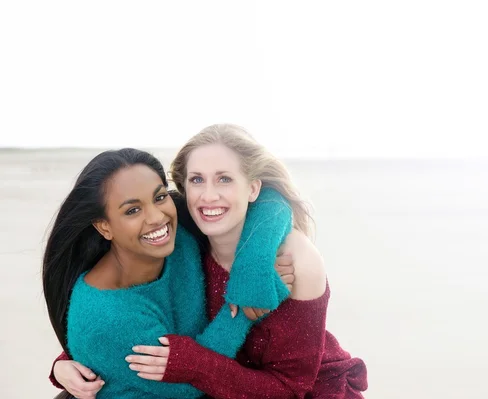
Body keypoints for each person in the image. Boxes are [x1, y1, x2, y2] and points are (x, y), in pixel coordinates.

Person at [124, 124, 368, 397]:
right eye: (196, 180)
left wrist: (195, 364)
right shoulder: (181, 236)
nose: (208, 196)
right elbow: (122, 296)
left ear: (253, 189)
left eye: (224, 179)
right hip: (218, 386)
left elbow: (290, 390)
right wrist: (71, 360)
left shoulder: (295, 259)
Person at [43, 147, 295, 398]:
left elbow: (271, 200)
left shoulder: (179, 236)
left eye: (159, 197)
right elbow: (188, 386)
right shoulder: (106, 317)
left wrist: (253, 268)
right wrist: (243, 311)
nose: (156, 217)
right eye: (132, 210)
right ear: (104, 227)